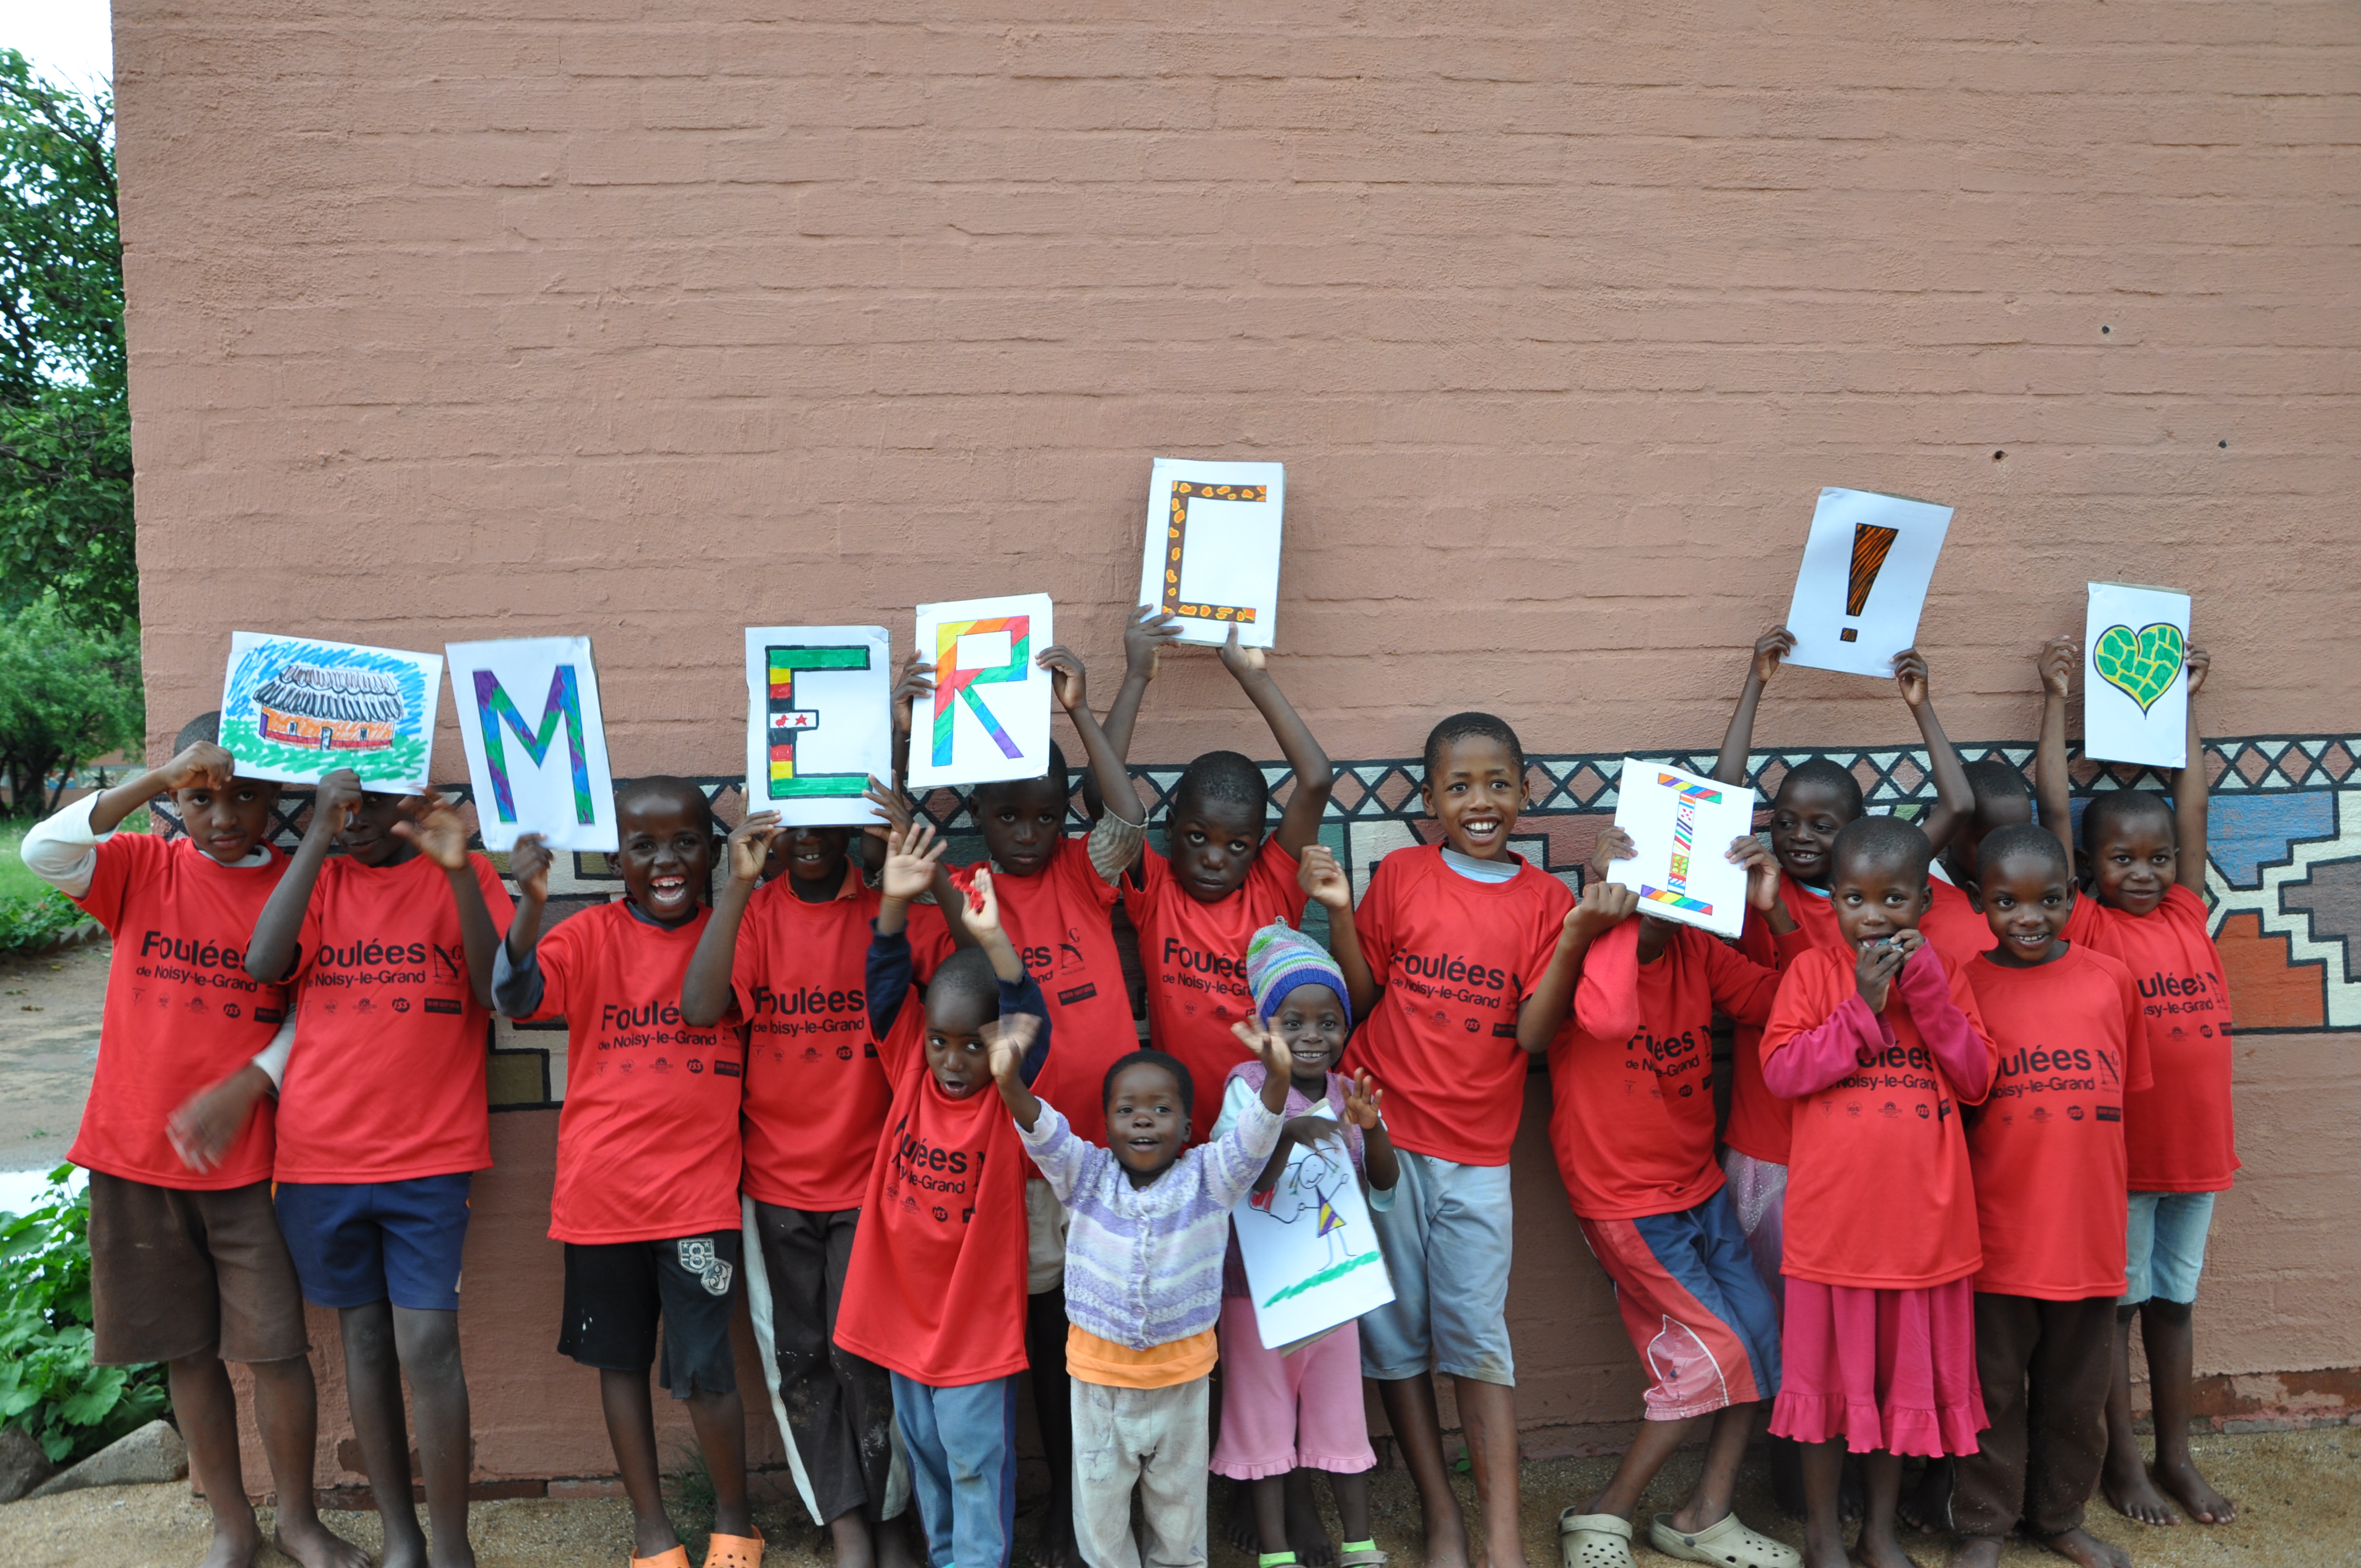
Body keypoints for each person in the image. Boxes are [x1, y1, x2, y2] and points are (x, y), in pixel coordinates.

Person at [18, 715, 370, 1568]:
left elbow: (311, 1010)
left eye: (244, 796)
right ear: (175, 798)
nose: (223, 816)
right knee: (186, 1349)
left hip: (249, 1166)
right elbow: (42, 853)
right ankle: (231, 1527)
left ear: (275, 800)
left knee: (276, 1349)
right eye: (201, 796)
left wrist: (251, 1081)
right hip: (133, 1152)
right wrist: (154, 778)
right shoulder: (144, 867)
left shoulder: (302, 887)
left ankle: (296, 1520)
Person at [1708, 631, 1984, 1516]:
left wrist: (1919, 703)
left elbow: (1975, 1070)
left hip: (1884, 1191)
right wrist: (1755, 687)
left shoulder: (1874, 900)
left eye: (1820, 828)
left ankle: (1869, 1515)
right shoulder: (1764, 890)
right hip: (1786, 1160)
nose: (1798, 837)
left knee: (1868, 1357)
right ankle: (1805, 1508)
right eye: (1784, 820)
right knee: (1803, 1347)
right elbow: (1717, 803)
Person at [1303, 711, 1582, 1568]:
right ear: (1431, 800)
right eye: (1459, 787)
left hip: (1476, 1155)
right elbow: (1364, 992)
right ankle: (1444, 1518)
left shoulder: (1546, 901)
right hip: (1378, 1131)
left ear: (1526, 792)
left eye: (1498, 783)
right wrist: (1343, 913)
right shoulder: (1403, 874)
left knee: (1476, 1336)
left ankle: (1500, 1532)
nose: (1481, 801)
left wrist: (1573, 938)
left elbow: (1535, 1037)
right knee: (1396, 1340)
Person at [906, 641, 1147, 1568]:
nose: (1028, 831)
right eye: (1007, 815)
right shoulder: (965, 892)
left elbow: (1125, 815)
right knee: (1030, 1334)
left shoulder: (1087, 870)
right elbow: (901, 863)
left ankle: (1088, 1504)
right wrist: (903, 738)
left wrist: (1081, 712)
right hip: (1015, 1158)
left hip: (1106, 1156)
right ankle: (1031, 1502)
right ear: (978, 816)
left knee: (1089, 1339)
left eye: (1046, 815)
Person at [236, 769, 510, 1568]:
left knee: (427, 1345)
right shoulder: (321, 876)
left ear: (414, 801)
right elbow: (262, 961)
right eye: (340, 807)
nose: (356, 821)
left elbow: (497, 988)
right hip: (321, 1156)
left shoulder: (463, 870)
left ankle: (453, 1547)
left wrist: (460, 870)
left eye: (373, 805)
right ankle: (402, 1540)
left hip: (430, 1157)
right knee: (363, 1344)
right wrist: (317, 834)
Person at [493, 778, 764, 1568]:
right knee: (620, 1362)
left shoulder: (736, 931)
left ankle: (733, 1521)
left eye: (685, 841)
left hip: (698, 1201)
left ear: (711, 850)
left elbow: (706, 1004)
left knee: (708, 1369)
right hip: (601, 1198)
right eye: (643, 847)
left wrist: (740, 891)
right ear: (617, 859)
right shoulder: (586, 936)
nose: (666, 861)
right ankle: (652, 1530)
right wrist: (532, 906)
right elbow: (515, 996)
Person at [679, 792, 935, 1568]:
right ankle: (845, 1519)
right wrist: (734, 886)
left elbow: (965, 986)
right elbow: (699, 1007)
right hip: (776, 1185)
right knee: (801, 1360)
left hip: (875, 1182)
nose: (811, 836)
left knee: (872, 1360)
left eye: (829, 817)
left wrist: (906, 864)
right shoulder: (757, 915)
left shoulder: (892, 909)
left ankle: (893, 1518)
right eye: (794, 820)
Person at [1544, 830, 1799, 1568]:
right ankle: (1601, 1512)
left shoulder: (1700, 952)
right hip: (1625, 1200)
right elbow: (1608, 1019)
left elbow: (1785, 1002)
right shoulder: (1595, 945)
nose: (1672, 894)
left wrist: (1776, 914)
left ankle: (1703, 1516)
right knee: (1713, 1354)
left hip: (1700, 1186)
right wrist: (1627, 915)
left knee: (1761, 1335)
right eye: (1655, 874)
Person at [2034, 635, 2239, 1528]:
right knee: (2113, 1315)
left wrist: (2188, 700)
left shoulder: (2189, 906)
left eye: (2156, 857)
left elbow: (2191, 802)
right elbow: (2050, 803)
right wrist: (2052, 700)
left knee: (2173, 1301)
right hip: (2123, 1160)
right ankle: (2123, 1465)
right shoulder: (2083, 923)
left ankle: (2175, 1455)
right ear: (2088, 865)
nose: (2146, 872)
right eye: (2122, 858)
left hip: (2196, 1155)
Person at [1758, 815, 1996, 1568]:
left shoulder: (1947, 974)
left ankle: (1880, 1532)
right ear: (1834, 903)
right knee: (1830, 1397)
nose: (1874, 917)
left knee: (1902, 1396)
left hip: (1923, 1235)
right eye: (1855, 900)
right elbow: (1784, 1073)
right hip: (1835, 1234)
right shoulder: (1811, 975)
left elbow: (1977, 1077)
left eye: (1893, 900)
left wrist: (1922, 989)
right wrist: (1860, 1007)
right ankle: (1826, 1536)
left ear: (1925, 903)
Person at [998, 1004, 1293, 1568]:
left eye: (1161, 1109)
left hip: (1181, 1384)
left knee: (1179, 1519)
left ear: (1186, 1128)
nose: (1142, 1120)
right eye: (1127, 1109)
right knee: (1102, 1523)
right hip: (1097, 1387)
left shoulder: (1210, 1179)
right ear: (1105, 1123)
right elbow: (1044, 1132)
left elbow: (1253, 1142)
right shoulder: (1084, 1176)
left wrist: (1277, 1079)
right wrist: (1010, 1081)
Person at [1929, 824, 2150, 1568]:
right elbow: (1957, 1106)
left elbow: (2129, 1098)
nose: (2031, 918)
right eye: (2008, 902)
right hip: (1997, 1239)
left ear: (2072, 896)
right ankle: (1984, 1524)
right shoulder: (1964, 983)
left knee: (2078, 1396)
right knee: (1991, 1390)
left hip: (2088, 1238)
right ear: (1979, 903)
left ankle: (2058, 1519)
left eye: (2049, 900)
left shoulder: (2109, 979)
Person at [833, 826, 1051, 1568]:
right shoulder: (910, 1074)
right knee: (926, 1459)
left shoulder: (1004, 1095)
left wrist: (993, 942)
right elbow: (887, 983)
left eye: (972, 1045)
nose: (954, 1062)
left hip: (971, 1332)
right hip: (903, 1321)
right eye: (940, 1042)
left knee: (972, 1463)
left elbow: (1034, 1016)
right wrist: (894, 905)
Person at [1101, 612, 1336, 1144]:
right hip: (1180, 1140)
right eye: (1197, 838)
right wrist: (1136, 674)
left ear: (1259, 847)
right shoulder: (1155, 890)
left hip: (1270, 1133)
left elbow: (1316, 779)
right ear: (1170, 830)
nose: (1213, 859)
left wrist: (1253, 676)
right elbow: (1104, 795)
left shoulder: (1273, 887)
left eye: (1236, 846)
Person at [1208, 923, 1401, 1568]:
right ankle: (1275, 1553)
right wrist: (1291, 1127)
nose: (1312, 1037)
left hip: (1333, 1289)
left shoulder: (1351, 1094)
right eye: (1292, 1022)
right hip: (1255, 1296)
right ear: (1266, 1026)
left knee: (1340, 1412)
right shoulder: (1245, 1086)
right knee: (1260, 1416)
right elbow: (1239, 1176)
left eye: (1328, 1022)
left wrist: (1371, 1132)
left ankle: (1360, 1543)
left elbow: (1383, 1182)